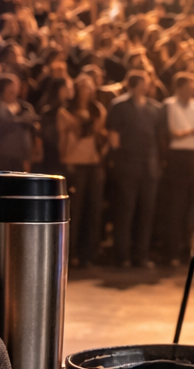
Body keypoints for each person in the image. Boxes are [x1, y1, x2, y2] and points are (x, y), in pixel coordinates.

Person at [106, 71, 164, 268]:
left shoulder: (154, 108)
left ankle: (142, 254)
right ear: (135, 84)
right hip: (127, 164)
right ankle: (122, 255)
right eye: (144, 83)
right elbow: (113, 134)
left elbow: (158, 137)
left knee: (147, 212)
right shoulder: (120, 106)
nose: (147, 86)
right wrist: (117, 158)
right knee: (126, 210)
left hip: (149, 166)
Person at [56, 74, 107, 266]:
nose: (88, 90)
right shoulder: (65, 111)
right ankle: (71, 252)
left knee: (93, 208)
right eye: (84, 86)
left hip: (93, 162)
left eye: (91, 87)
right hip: (74, 161)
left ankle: (89, 253)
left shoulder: (97, 110)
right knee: (74, 210)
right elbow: (69, 133)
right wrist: (64, 159)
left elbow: (99, 132)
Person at [160, 71, 194, 264]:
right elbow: (173, 133)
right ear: (178, 88)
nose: (192, 91)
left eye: (193, 88)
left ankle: (191, 250)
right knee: (176, 205)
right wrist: (190, 132)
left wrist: (187, 133)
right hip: (177, 159)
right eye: (188, 88)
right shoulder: (169, 105)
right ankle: (172, 250)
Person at [0, 74, 38, 171]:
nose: (14, 92)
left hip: (22, 158)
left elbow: (33, 128)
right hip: (0, 157)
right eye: (10, 90)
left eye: (16, 89)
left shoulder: (25, 108)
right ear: (2, 89)